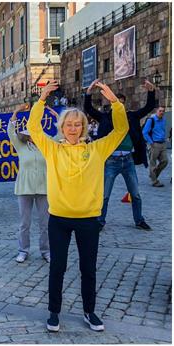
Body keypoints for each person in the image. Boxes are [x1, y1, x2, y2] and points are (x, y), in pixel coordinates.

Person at [27, 80, 128, 333]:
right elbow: (33, 129)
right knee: (57, 267)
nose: (73, 128)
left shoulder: (97, 149)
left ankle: (89, 311)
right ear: (62, 127)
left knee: (88, 269)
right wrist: (42, 100)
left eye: (77, 124)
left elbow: (120, 131)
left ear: (83, 127)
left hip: (88, 220)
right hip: (59, 219)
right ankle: (54, 312)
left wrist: (115, 103)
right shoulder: (52, 149)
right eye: (68, 124)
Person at [85, 79, 155, 231]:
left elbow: (149, 107)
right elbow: (89, 109)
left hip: (128, 160)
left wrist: (151, 91)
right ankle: (100, 221)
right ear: (111, 104)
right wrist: (88, 93)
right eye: (116, 102)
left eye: (121, 102)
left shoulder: (131, 116)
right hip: (111, 160)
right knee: (104, 195)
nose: (119, 105)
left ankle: (139, 220)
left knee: (135, 194)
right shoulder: (105, 117)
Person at [8, 103, 50, 264]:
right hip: (24, 188)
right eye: (30, 133)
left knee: (45, 224)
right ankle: (23, 250)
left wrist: (57, 117)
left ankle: (46, 251)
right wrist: (16, 111)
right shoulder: (21, 146)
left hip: (43, 187)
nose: (32, 135)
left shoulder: (47, 146)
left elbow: (61, 134)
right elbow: (11, 132)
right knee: (24, 224)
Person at [143, 106, 168, 187]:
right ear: (157, 111)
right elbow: (145, 132)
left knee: (165, 161)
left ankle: (153, 174)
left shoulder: (163, 120)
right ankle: (154, 181)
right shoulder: (151, 120)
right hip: (154, 144)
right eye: (160, 111)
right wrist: (151, 142)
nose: (162, 112)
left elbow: (163, 130)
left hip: (163, 144)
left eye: (163, 111)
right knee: (152, 163)